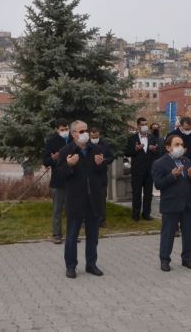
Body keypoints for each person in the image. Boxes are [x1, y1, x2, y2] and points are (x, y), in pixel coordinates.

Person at [55, 120, 105, 279]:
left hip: (94, 199)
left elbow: (102, 173)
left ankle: (91, 264)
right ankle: (71, 266)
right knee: (71, 236)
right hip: (75, 199)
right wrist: (69, 165)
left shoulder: (96, 149)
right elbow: (59, 175)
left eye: (86, 130)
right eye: (81, 131)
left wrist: (100, 164)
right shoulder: (66, 151)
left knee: (93, 235)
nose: (85, 134)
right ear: (73, 134)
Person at [152, 135, 191, 272]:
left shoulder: (187, 161)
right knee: (168, 233)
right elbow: (158, 184)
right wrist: (173, 176)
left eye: (182, 145)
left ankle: (187, 259)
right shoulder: (159, 163)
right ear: (168, 147)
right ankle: (165, 260)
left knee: (188, 233)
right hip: (171, 204)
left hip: (187, 203)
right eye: (177, 144)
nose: (180, 147)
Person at [168, 117, 191, 235]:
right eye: (186, 128)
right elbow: (166, 153)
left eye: (190, 128)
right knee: (176, 200)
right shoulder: (173, 135)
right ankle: (174, 227)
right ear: (181, 125)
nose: (188, 130)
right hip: (177, 171)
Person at [124, 117, 159, 221]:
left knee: (148, 194)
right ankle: (135, 215)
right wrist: (135, 149)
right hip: (137, 171)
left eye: (146, 124)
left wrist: (154, 150)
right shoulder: (132, 138)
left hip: (149, 171)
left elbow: (157, 152)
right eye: (143, 124)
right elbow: (127, 152)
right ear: (138, 126)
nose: (145, 126)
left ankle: (146, 214)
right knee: (136, 193)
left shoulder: (152, 137)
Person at [43, 118, 72, 244]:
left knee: (72, 209)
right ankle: (56, 234)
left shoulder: (73, 140)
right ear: (57, 130)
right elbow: (45, 161)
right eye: (62, 130)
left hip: (73, 179)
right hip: (58, 181)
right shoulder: (51, 141)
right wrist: (53, 158)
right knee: (57, 209)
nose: (65, 131)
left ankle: (72, 235)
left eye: (66, 129)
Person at [89, 127, 114, 227]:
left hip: (101, 174)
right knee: (89, 197)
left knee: (102, 197)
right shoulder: (86, 144)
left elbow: (111, 157)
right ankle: (89, 219)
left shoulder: (105, 144)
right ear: (90, 135)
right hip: (90, 175)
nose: (94, 138)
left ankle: (102, 220)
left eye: (96, 136)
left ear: (99, 134)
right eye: (92, 136)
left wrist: (104, 160)